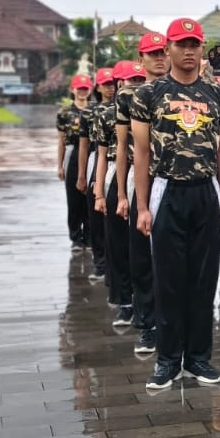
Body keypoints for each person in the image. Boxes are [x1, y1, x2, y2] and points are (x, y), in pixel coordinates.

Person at [130, 17, 220, 391]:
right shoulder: (149, 95)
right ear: (170, 49)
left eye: (194, 45)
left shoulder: (218, 96)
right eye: (181, 45)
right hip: (167, 191)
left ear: (202, 49)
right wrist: (142, 207)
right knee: (169, 280)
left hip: (206, 192)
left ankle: (198, 359)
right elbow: (141, 153)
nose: (188, 51)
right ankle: (167, 360)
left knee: (204, 280)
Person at [118, 32, 169, 354]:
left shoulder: (184, 92)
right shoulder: (129, 96)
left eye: (163, 52)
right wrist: (124, 196)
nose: (159, 58)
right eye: (152, 54)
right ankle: (147, 322)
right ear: (142, 59)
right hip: (144, 181)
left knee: (172, 258)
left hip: (175, 182)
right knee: (143, 255)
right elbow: (125, 148)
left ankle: (172, 323)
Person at [94, 60, 139, 322]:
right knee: (118, 243)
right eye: (132, 81)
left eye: (140, 80)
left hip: (145, 175)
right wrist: (99, 193)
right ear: (121, 83)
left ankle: (144, 299)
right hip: (117, 174)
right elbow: (102, 155)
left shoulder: (154, 105)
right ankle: (125, 300)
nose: (137, 85)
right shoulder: (107, 114)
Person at [79, 66, 116, 284]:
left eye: (113, 84)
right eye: (106, 85)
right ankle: (100, 263)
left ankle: (113, 266)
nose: (110, 88)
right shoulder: (89, 112)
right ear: (98, 87)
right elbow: (84, 146)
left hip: (119, 160)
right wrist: (82, 176)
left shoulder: (126, 107)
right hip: (99, 158)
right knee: (96, 217)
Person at [56, 76, 92, 249]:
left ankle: (90, 237)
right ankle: (76, 237)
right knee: (74, 199)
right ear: (73, 90)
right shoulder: (65, 112)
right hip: (73, 152)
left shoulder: (95, 110)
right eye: (79, 88)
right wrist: (60, 165)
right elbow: (61, 141)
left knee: (90, 197)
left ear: (90, 90)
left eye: (85, 88)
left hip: (91, 152)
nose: (82, 91)